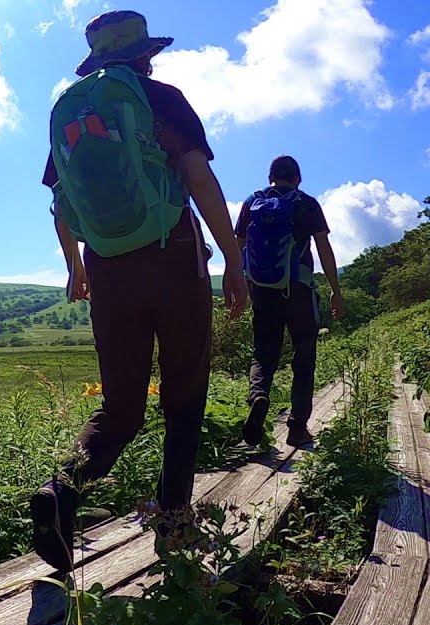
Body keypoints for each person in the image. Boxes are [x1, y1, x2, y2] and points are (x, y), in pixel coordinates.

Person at [30, 9, 250, 573]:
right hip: (172, 257)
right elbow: (198, 178)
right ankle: (174, 521)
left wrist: (76, 266)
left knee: (121, 408)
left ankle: (62, 493)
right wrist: (232, 257)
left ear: (98, 59)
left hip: (107, 268)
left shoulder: (73, 111)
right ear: (144, 55)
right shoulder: (161, 98)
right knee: (184, 394)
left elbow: (61, 206)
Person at [237, 156, 343, 448]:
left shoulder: (252, 203)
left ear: (270, 177)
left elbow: (238, 247)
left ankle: (258, 396)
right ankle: (297, 428)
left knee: (264, 352)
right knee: (304, 356)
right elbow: (324, 248)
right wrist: (335, 290)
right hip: (298, 290)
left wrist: (240, 287)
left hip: (262, 290)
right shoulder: (307, 204)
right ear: (298, 178)